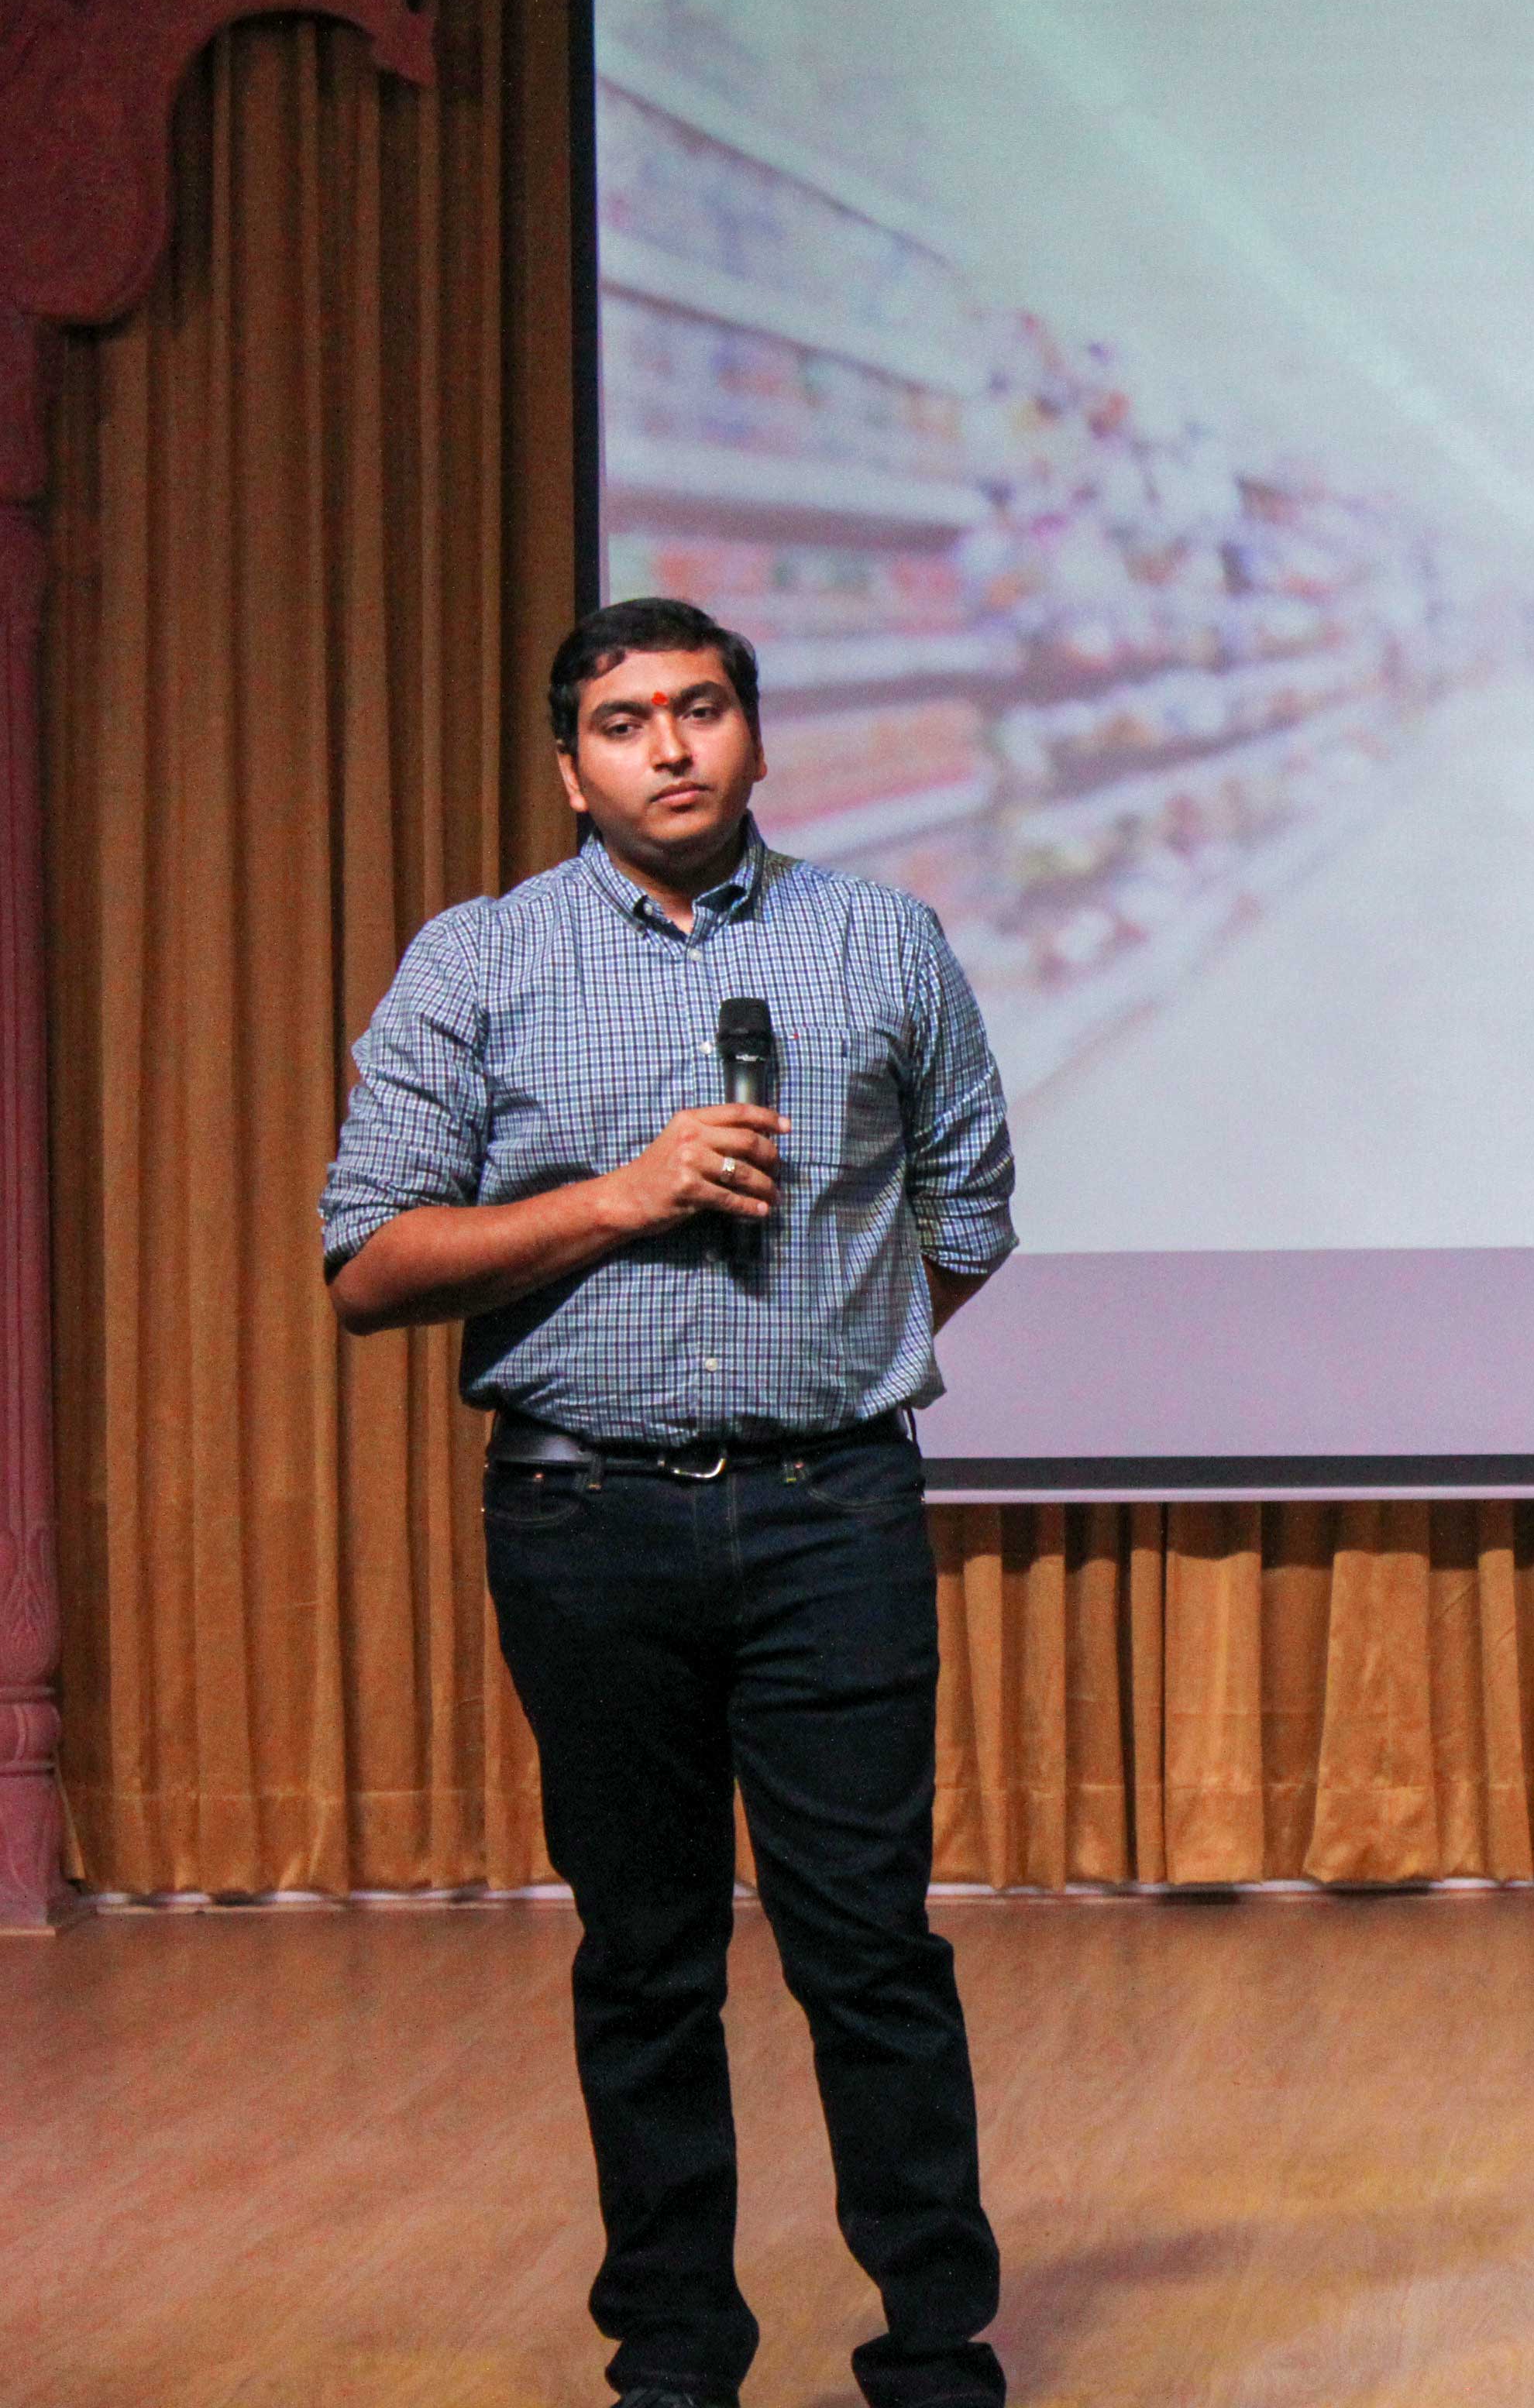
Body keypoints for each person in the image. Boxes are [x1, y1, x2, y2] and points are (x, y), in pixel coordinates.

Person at [322, 596, 1020, 2408]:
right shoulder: (479, 960)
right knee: (644, 1955)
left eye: (701, 709)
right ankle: (675, 2356)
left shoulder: (881, 940)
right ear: (573, 770)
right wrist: (621, 1200)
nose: (671, 747)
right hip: (584, 1523)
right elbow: (372, 1263)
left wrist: (833, 1354)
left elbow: (968, 1213)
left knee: (869, 1949)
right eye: (624, 722)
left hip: (832, 1511)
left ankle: (935, 2346)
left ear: (756, 736)